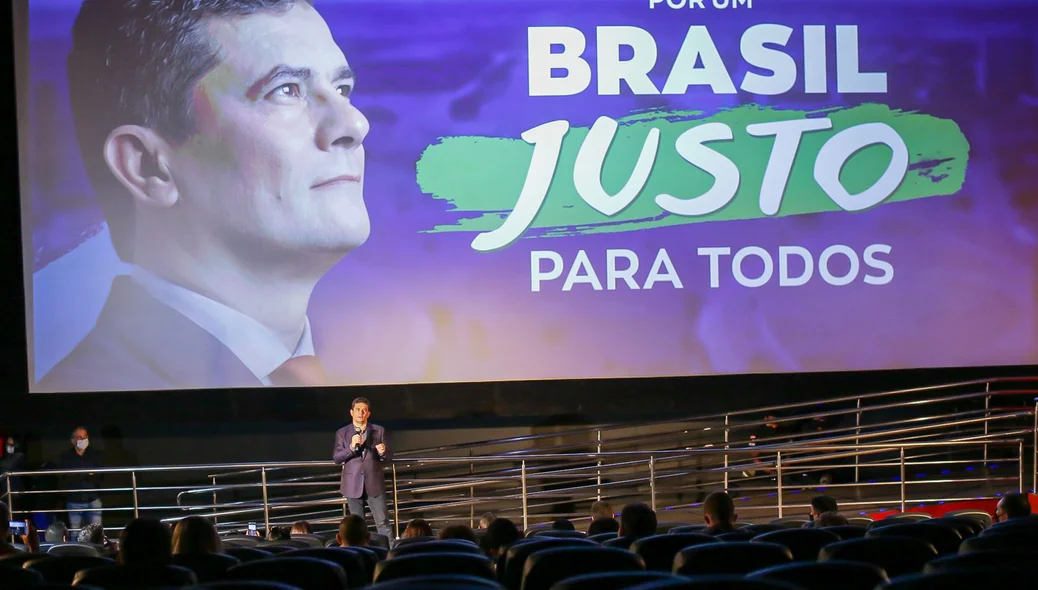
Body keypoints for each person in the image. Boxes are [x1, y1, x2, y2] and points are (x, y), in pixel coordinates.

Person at [39, 0, 371, 392]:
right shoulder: (97, 396)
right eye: (286, 90)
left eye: (341, 88)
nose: (354, 123)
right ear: (148, 166)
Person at [333, 397, 392, 538]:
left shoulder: (379, 431)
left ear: (368, 414)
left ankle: (388, 553)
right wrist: (352, 447)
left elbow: (388, 457)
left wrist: (383, 452)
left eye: (364, 410)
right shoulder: (342, 433)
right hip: (352, 485)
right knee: (356, 526)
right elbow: (337, 458)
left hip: (374, 483)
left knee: (383, 522)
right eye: (358, 410)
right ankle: (358, 552)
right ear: (351, 412)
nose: (361, 413)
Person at [60, 427, 103, 530]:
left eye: (85, 437)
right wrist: (88, 473)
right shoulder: (66, 456)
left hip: (93, 499)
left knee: (96, 532)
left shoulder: (95, 455)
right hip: (74, 500)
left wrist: (79, 474)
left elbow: (100, 475)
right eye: (79, 437)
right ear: (72, 440)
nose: (83, 439)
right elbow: (67, 477)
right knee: (74, 532)